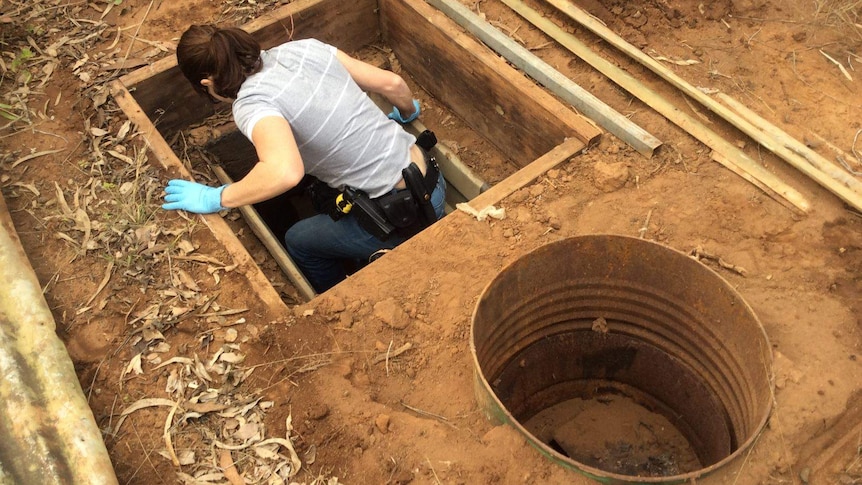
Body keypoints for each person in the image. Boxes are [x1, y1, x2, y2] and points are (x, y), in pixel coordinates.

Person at [162, 25, 446, 293]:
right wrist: (408, 113)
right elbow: (392, 83)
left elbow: (285, 172)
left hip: (401, 219)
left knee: (298, 241)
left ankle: (342, 297)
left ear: (207, 82)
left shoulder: (252, 103)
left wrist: (218, 197)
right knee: (322, 192)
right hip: (432, 182)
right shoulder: (303, 48)